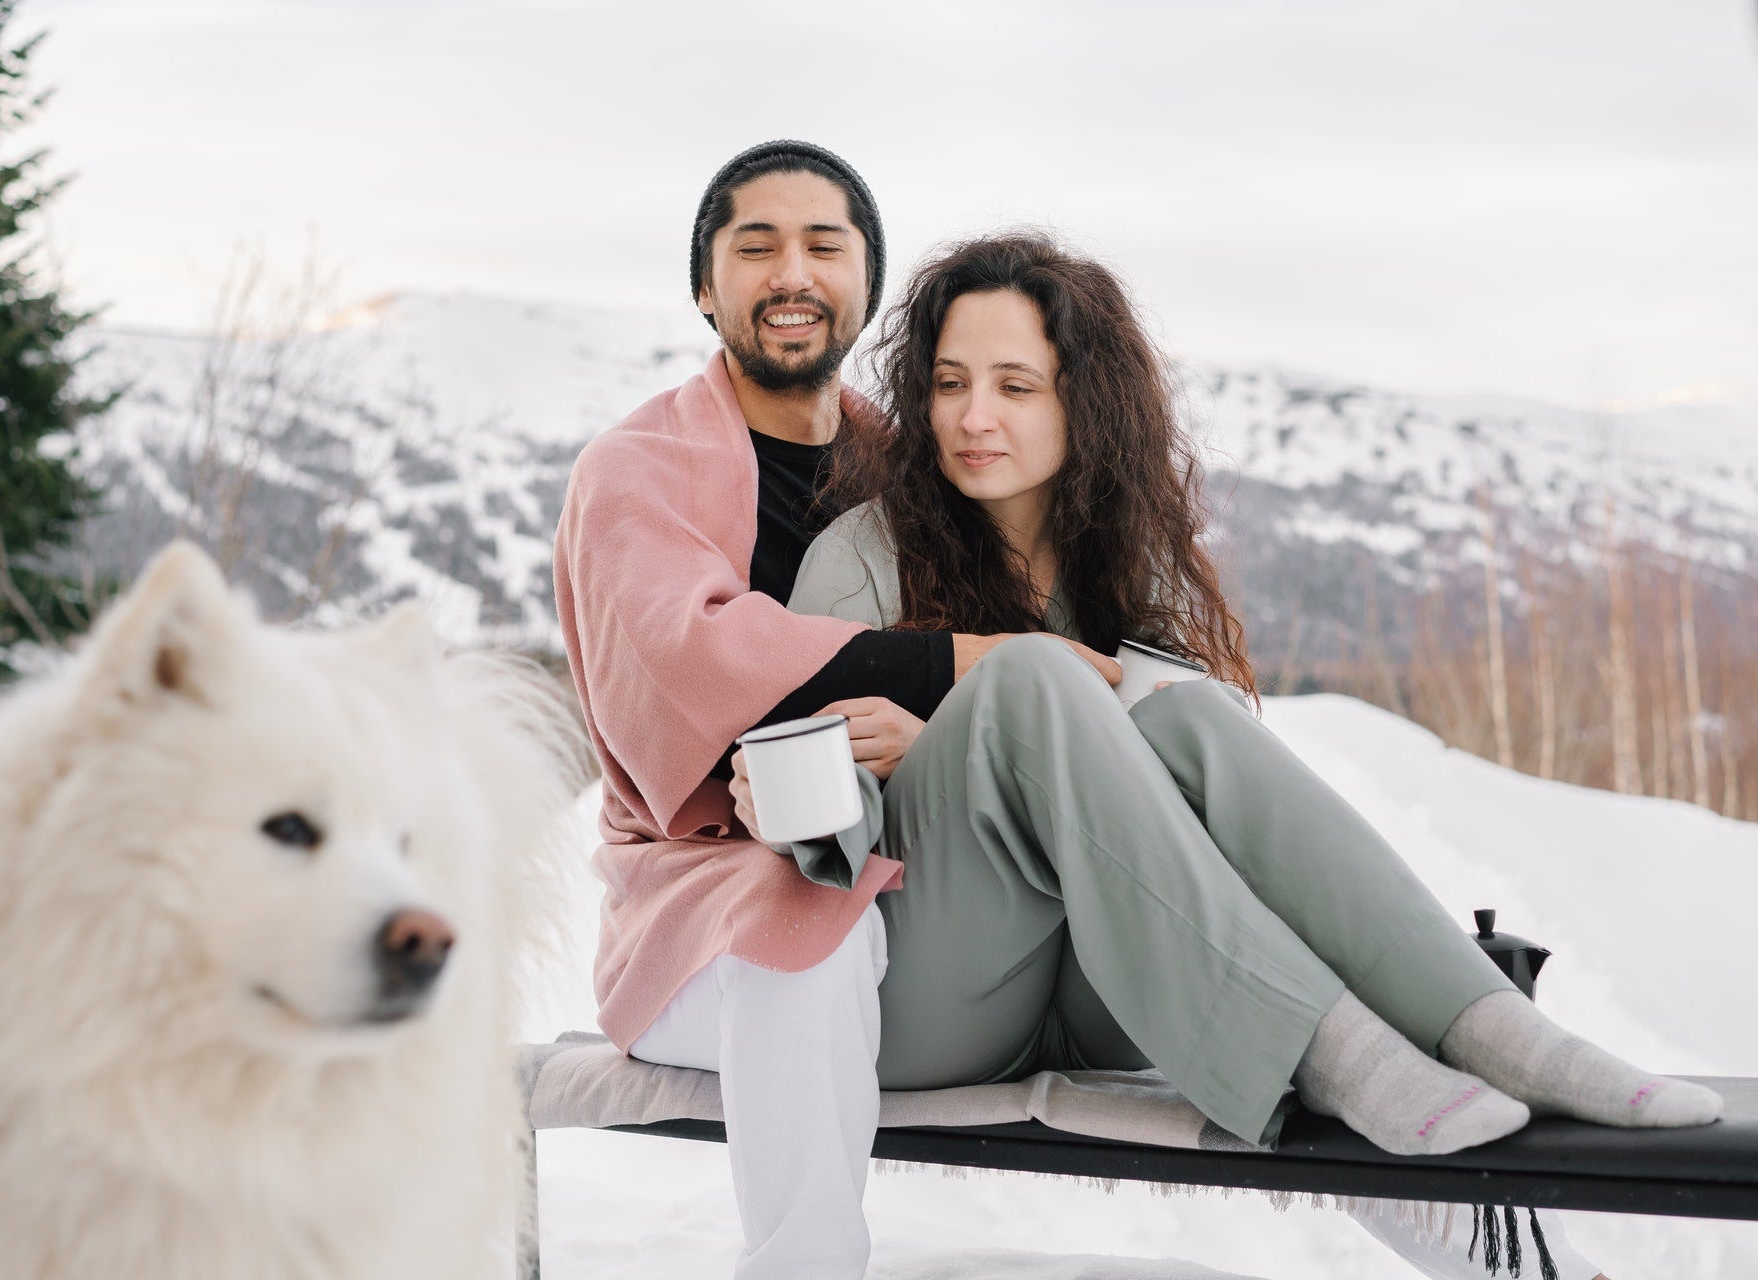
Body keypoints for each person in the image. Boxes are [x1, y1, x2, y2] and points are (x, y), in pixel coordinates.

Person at [551, 143, 1696, 1280]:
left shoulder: (899, 466)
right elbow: (695, 662)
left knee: (1182, 724)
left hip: (1036, 938)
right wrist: (982, 673)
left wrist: (994, 705)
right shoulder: (656, 473)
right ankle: (1341, 1052)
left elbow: (1158, 728)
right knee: (1021, 696)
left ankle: (1493, 1039)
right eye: (755, 246)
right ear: (705, 286)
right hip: (749, 892)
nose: (791, 271)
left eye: (824, 244)